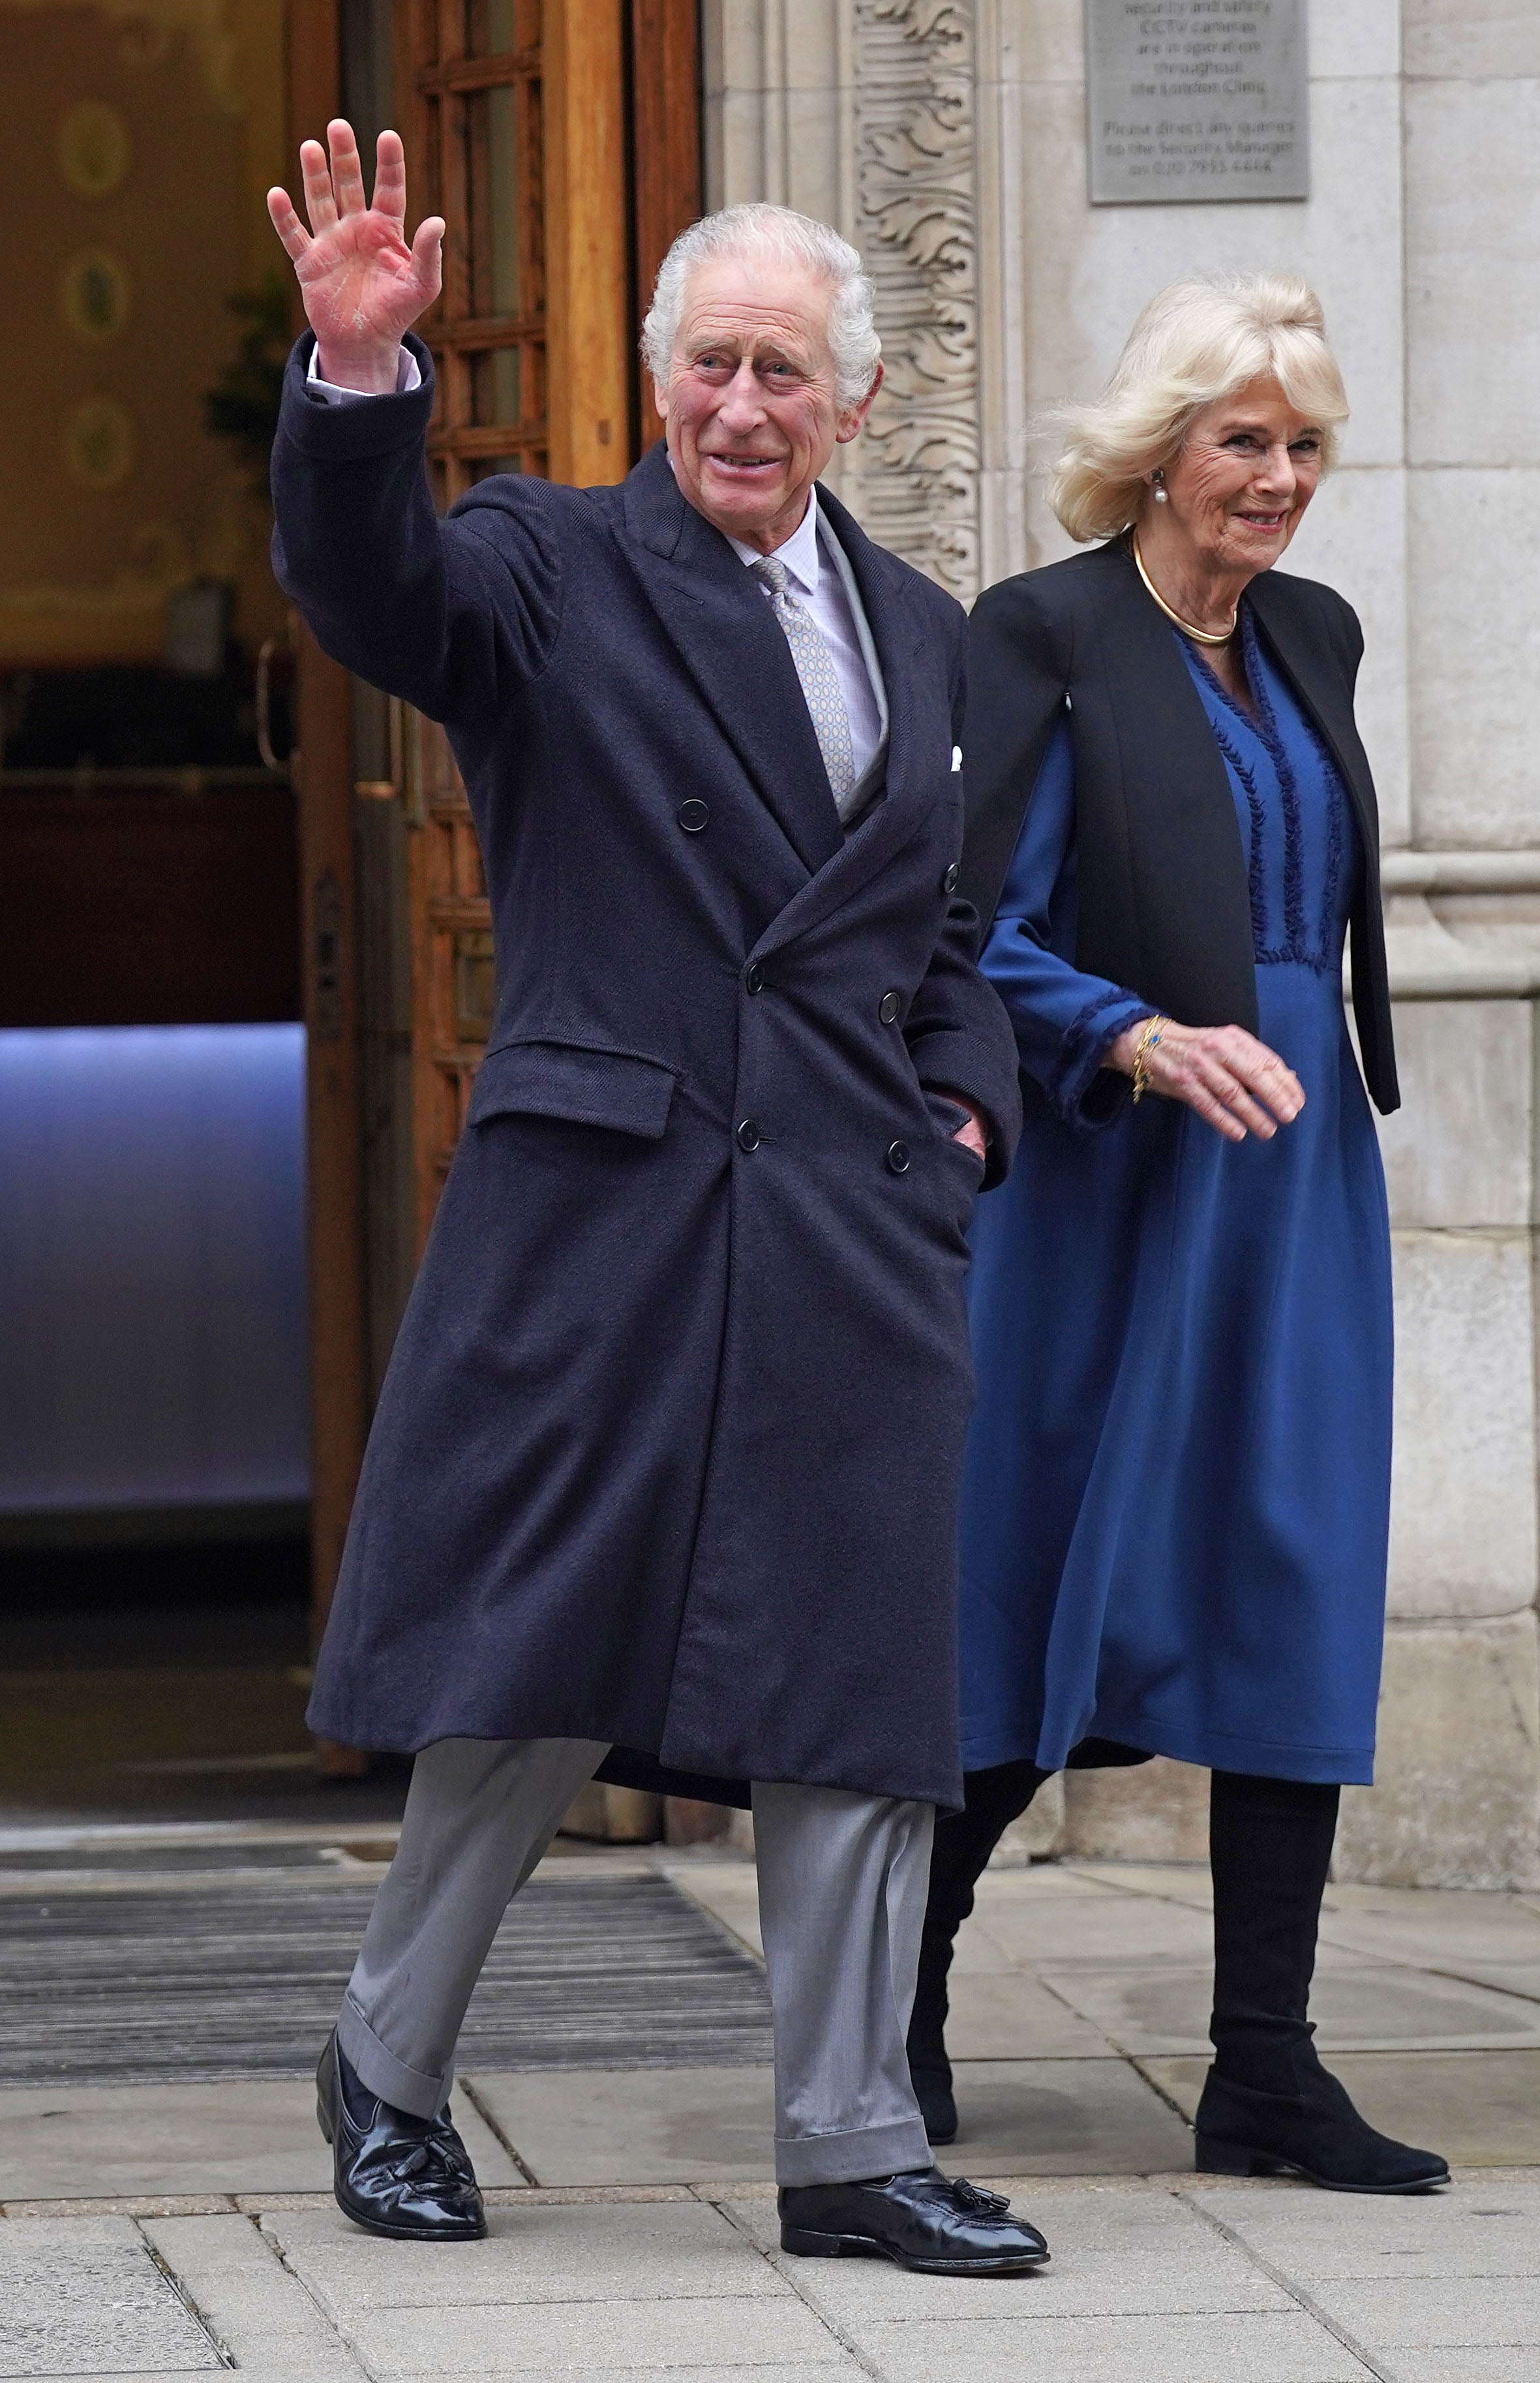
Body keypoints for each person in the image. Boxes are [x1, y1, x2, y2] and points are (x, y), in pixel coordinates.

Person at [265, 121, 1048, 2275]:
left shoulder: (927, 635)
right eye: (707, 364)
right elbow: (373, 594)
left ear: (858, 400)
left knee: (854, 1685)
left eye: (784, 372)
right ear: (654, 378)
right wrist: (357, 391)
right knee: (529, 1670)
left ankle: (850, 2143)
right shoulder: (545, 564)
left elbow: (944, 945)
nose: (738, 406)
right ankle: (389, 2068)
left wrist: (961, 1124)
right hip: (604, 1207)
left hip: (846, 1223)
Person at [909, 275, 1449, 2196]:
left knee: (1289, 1563)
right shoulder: (1040, 635)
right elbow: (972, 931)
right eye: (1244, 441)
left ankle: (1265, 2068)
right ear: (1156, 450)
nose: (1279, 480)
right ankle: (902, 1981)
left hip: (1293, 1172)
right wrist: (1131, 1034)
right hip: (1111, 1169)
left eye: (1304, 446)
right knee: (1057, 1570)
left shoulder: (1312, 634)